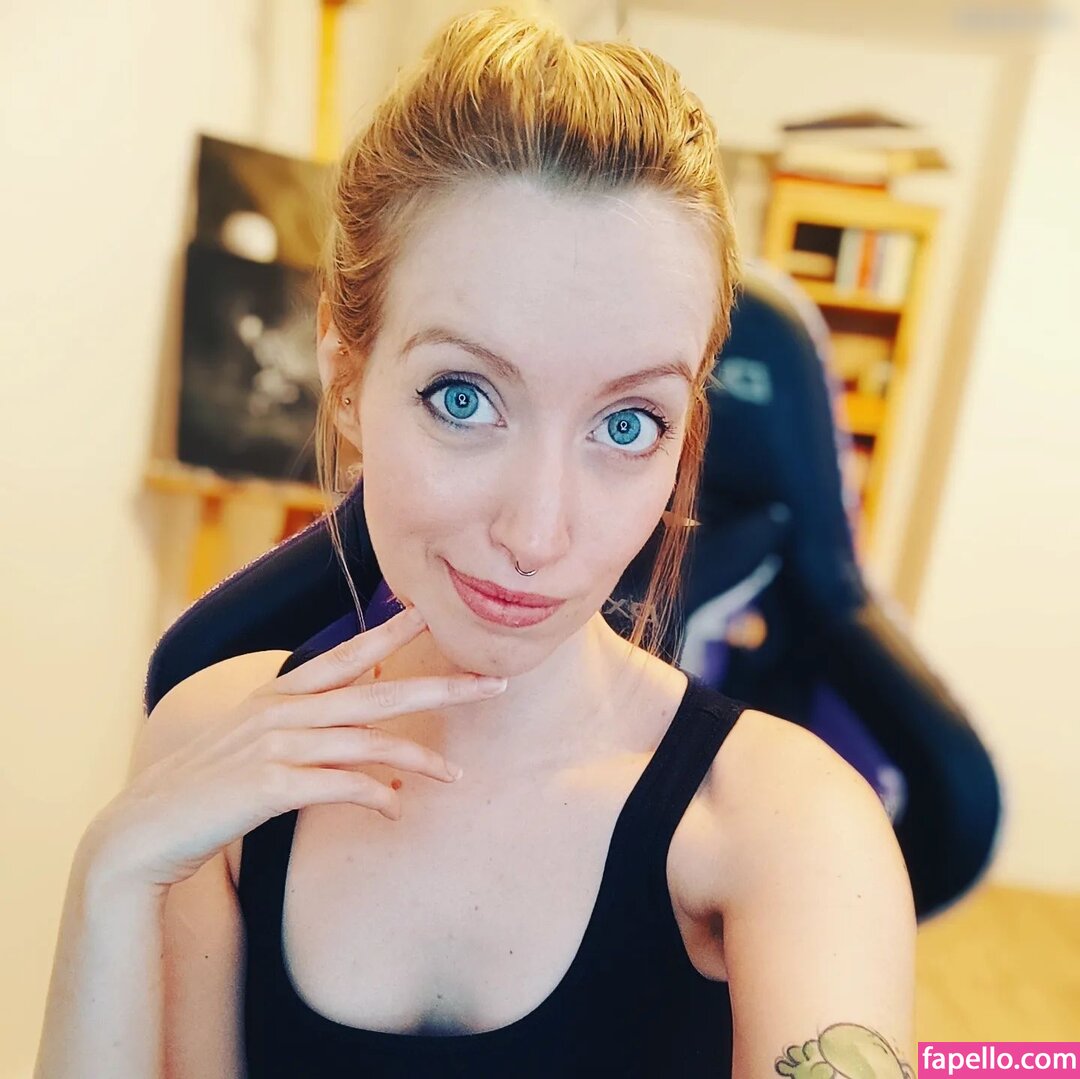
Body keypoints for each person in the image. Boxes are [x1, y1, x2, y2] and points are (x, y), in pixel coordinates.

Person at [35, 7, 916, 1077]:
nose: (537, 533)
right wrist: (111, 874)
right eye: (464, 396)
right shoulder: (213, 746)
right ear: (348, 382)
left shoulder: (792, 830)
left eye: (626, 425)